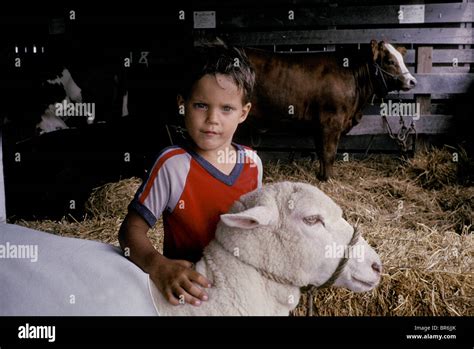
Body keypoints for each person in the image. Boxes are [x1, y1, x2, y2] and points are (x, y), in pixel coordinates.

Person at [118, 46, 262, 307]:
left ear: (243, 112)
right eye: (200, 105)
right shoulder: (172, 165)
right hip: (190, 295)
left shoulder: (253, 163)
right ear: (182, 105)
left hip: (240, 294)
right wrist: (159, 266)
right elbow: (130, 232)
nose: (212, 119)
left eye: (226, 108)